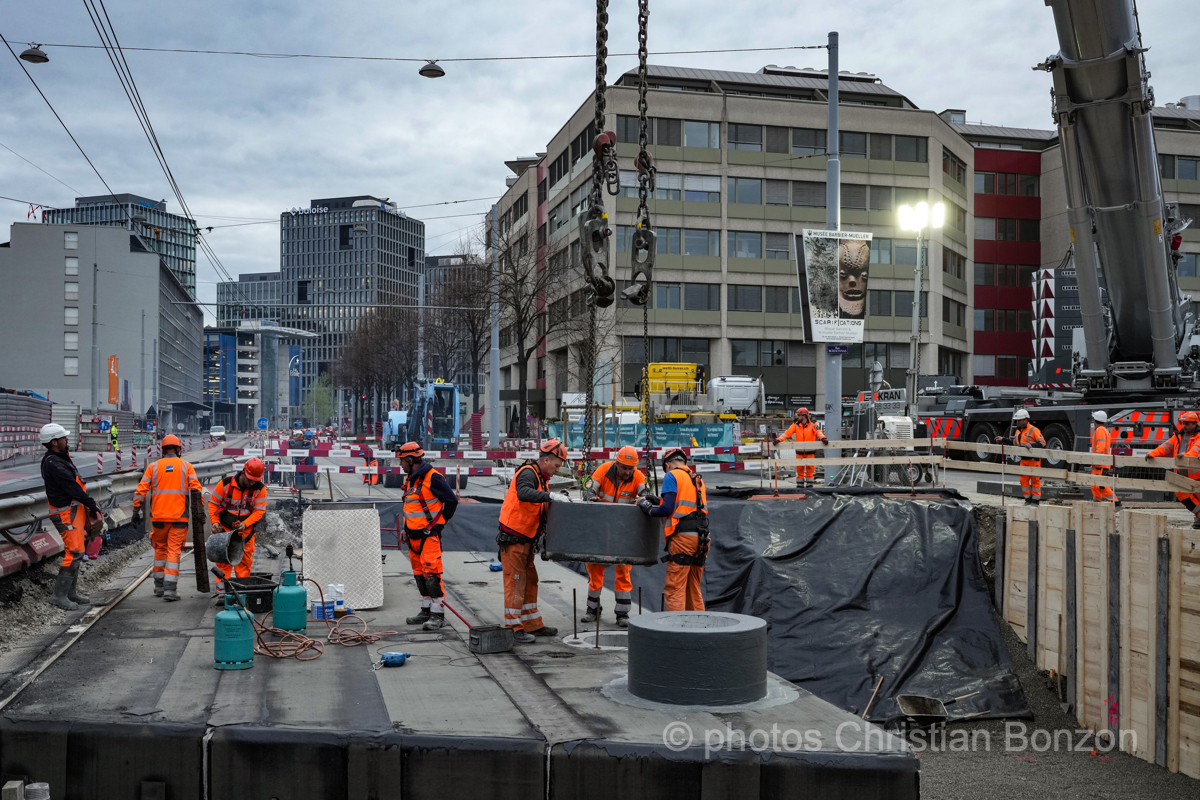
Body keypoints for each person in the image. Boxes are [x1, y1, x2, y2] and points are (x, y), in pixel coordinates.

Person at [496, 439, 569, 643]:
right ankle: (513, 627)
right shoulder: (528, 473)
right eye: (555, 465)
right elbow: (524, 493)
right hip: (514, 540)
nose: (556, 470)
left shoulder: (540, 476)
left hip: (525, 540)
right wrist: (550, 496)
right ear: (546, 460)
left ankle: (531, 624)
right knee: (516, 582)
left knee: (529, 581)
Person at [581, 445, 650, 627]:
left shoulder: (639, 477)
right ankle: (592, 609)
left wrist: (644, 499)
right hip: (601, 530)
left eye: (630, 469)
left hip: (623, 532)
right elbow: (587, 488)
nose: (628, 472)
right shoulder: (603, 470)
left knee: (623, 571)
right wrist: (590, 496)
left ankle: (622, 614)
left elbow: (646, 493)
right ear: (617, 464)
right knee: (595, 569)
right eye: (624, 468)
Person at [39, 423, 103, 610]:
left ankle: (70, 593)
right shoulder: (54, 463)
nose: (67, 440)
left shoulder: (60, 458)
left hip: (73, 511)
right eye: (64, 438)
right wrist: (92, 504)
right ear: (54, 442)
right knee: (73, 552)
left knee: (77, 552)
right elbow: (72, 488)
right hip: (65, 514)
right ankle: (59, 596)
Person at [397, 442, 460, 630]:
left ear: (410, 460)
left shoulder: (433, 478)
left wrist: (440, 522)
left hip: (428, 536)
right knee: (419, 575)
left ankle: (437, 615)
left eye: (401, 461)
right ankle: (426, 610)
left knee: (432, 574)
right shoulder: (411, 479)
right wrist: (405, 529)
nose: (400, 464)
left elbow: (451, 501)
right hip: (413, 536)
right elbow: (410, 506)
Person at [132, 434, 202, 601]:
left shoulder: (153, 467)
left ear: (162, 450)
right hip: (179, 518)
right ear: (178, 449)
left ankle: (158, 587)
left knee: (160, 550)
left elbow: (141, 489)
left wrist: (136, 509)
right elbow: (197, 491)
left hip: (158, 518)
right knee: (174, 551)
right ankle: (170, 590)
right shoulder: (187, 466)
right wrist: (201, 513)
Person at [638, 448, 709, 611]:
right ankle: (698, 632)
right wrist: (656, 499)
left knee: (675, 590)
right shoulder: (696, 478)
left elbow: (666, 509)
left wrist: (648, 508)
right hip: (702, 539)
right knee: (693, 589)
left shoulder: (672, 475)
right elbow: (686, 506)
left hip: (683, 539)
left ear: (668, 465)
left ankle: (677, 633)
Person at [207, 458, 268, 602]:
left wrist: (245, 524)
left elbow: (259, 512)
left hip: (245, 533)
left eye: (255, 480)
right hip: (225, 531)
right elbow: (213, 504)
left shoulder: (260, 489)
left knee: (244, 562)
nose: (252, 483)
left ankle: (241, 593)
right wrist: (215, 523)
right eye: (250, 479)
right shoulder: (226, 484)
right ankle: (223, 593)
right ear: (243, 473)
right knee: (223, 562)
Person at [1146, 410, 1200, 528]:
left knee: (1198, 496)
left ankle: (1198, 519)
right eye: (1183, 423)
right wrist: (1152, 454)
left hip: (1197, 475)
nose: (1184, 426)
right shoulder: (1178, 436)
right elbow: (1165, 447)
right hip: (1182, 475)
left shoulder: (1199, 436)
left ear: (1195, 424)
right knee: (1182, 494)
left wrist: (1186, 456)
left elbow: (1196, 449)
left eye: (1187, 423)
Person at [995, 408, 1045, 505]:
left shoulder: (1034, 430)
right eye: (1017, 420)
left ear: (1025, 420)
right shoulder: (1018, 432)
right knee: (1023, 481)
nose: (1017, 422)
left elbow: (1042, 443)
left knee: (1035, 481)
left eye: (1019, 420)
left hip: (1034, 461)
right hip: (1023, 460)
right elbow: (1015, 443)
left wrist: (1032, 445)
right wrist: (1003, 439)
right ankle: (1028, 500)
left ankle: (1035, 501)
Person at [776, 407, 828, 488]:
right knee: (799, 468)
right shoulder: (796, 425)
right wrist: (778, 439)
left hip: (810, 451)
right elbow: (788, 433)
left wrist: (823, 438)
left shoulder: (813, 424)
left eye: (799, 415)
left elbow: (818, 432)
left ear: (804, 416)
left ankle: (809, 483)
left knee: (810, 468)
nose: (797, 417)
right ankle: (800, 483)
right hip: (799, 451)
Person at [1089, 410, 1120, 506]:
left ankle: (1115, 502)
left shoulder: (1100, 430)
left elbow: (1100, 448)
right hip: (1101, 463)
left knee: (1100, 485)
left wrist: (1095, 460)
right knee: (1095, 485)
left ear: (1095, 420)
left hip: (1100, 464)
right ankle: (1097, 503)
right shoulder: (1103, 430)